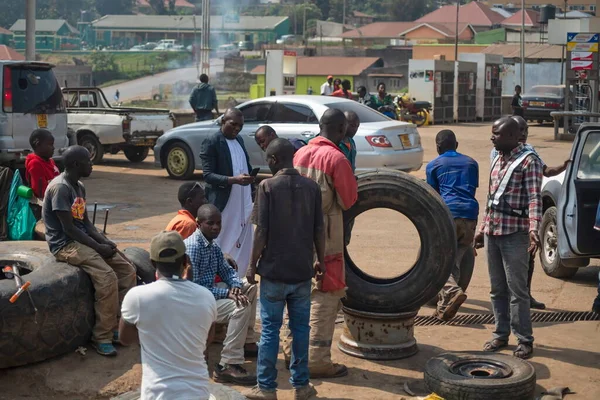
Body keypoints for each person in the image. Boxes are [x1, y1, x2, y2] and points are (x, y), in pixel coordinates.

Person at [244, 138, 325, 400]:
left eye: (268, 159)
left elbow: (262, 232)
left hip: (274, 273)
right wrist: (320, 261)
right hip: (301, 272)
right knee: (300, 330)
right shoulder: (312, 187)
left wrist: (251, 264)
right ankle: (301, 387)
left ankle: (266, 389)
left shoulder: (267, 186)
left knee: (270, 330)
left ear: (274, 160)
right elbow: (318, 230)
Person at [42, 145, 136, 356]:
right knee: (107, 277)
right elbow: (69, 229)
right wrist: (98, 247)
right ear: (76, 164)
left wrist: (105, 242)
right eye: (88, 161)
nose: (92, 164)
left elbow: (85, 223)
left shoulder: (79, 186)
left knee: (127, 270)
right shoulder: (61, 189)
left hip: (81, 239)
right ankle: (101, 336)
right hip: (65, 244)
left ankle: (117, 326)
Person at [290, 109, 358, 379]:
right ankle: (316, 361)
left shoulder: (299, 154)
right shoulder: (337, 158)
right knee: (325, 296)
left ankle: (290, 353)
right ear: (341, 130)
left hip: (296, 235)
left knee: (296, 294)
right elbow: (348, 199)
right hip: (326, 237)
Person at [474, 117, 543, 360]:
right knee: (497, 290)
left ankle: (524, 340)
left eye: (497, 134)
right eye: (492, 133)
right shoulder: (496, 156)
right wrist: (482, 228)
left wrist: (534, 228)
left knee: (518, 291)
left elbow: (535, 197)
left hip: (515, 234)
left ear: (514, 137)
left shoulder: (528, 161)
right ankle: (500, 334)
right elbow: (491, 197)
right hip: (493, 232)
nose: (492, 138)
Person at [119, 231, 217, 400]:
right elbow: (207, 339)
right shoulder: (206, 297)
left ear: (152, 263)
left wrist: (153, 334)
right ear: (186, 261)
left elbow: (124, 339)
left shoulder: (137, 297)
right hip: (198, 394)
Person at [490, 116, 569, 310]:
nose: (524, 133)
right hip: (506, 219)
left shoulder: (530, 152)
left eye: (525, 129)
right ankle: (513, 301)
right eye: (520, 130)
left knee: (527, 261)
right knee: (506, 269)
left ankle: (525, 295)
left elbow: (544, 174)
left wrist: (563, 167)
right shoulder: (498, 152)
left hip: (525, 217)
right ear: (512, 133)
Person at [185, 204, 258, 386]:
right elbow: (195, 288)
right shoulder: (194, 247)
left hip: (209, 294)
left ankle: (246, 342)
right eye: (211, 223)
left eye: (218, 223)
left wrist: (234, 286)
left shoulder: (211, 244)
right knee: (241, 307)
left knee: (249, 287)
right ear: (198, 223)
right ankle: (228, 364)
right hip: (197, 302)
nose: (216, 227)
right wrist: (226, 292)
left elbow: (227, 271)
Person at [426, 130, 479, 321]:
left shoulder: (433, 165)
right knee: (454, 262)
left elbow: (433, 196)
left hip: (448, 215)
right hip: (471, 215)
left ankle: (453, 290)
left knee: (439, 262)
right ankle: (443, 308)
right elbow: (470, 190)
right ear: (456, 145)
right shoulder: (472, 163)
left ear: (438, 147)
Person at [200, 108, 255, 277]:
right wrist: (233, 180)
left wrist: (250, 180)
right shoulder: (212, 141)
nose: (237, 128)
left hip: (242, 200)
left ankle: (239, 275)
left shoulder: (239, 140)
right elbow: (207, 175)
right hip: (224, 203)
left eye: (240, 125)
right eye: (233, 124)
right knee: (222, 237)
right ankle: (218, 276)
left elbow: (245, 165)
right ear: (223, 122)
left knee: (242, 238)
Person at [25, 129, 60, 202]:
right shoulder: (35, 164)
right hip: (44, 204)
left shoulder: (50, 161)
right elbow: (40, 192)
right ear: (38, 144)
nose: (53, 148)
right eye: (50, 144)